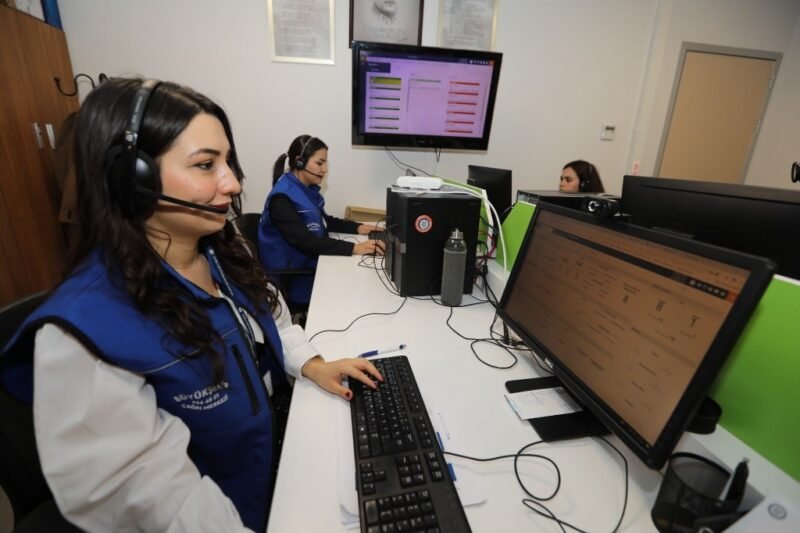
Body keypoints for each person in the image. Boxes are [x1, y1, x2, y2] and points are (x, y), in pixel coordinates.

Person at [0, 78, 382, 533]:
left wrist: (312, 364)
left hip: (270, 466)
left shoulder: (221, 250)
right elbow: (155, 501)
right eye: (205, 165)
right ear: (133, 179)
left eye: (228, 162)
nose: (233, 183)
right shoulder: (84, 334)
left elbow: (275, 320)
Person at [259, 134, 384, 306]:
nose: (324, 169)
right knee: (356, 288)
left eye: (325, 163)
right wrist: (355, 248)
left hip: (307, 266)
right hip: (292, 278)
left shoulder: (303, 190)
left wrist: (358, 227)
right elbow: (307, 242)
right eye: (320, 163)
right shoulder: (281, 199)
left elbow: (324, 221)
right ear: (299, 162)